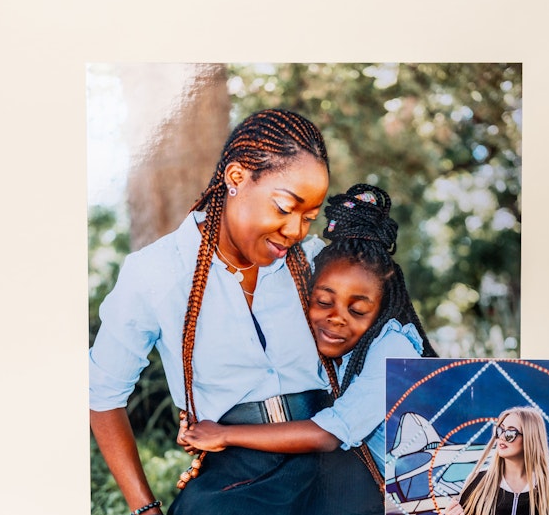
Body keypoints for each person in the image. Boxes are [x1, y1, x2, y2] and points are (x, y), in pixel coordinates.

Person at [90, 108, 375, 515]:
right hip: (233, 480)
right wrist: (146, 514)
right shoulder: (156, 273)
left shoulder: (313, 267)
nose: (296, 231)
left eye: (309, 217)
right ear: (237, 177)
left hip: (332, 462)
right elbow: (101, 395)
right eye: (285, 207)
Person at [179, 183, 437, 485]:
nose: (336, 319)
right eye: (324, 302)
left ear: (381, 310)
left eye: (357, 311)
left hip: (430, 502)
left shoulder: (393, 350)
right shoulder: (330, 345)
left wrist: (224, 435)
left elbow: (329, 433)